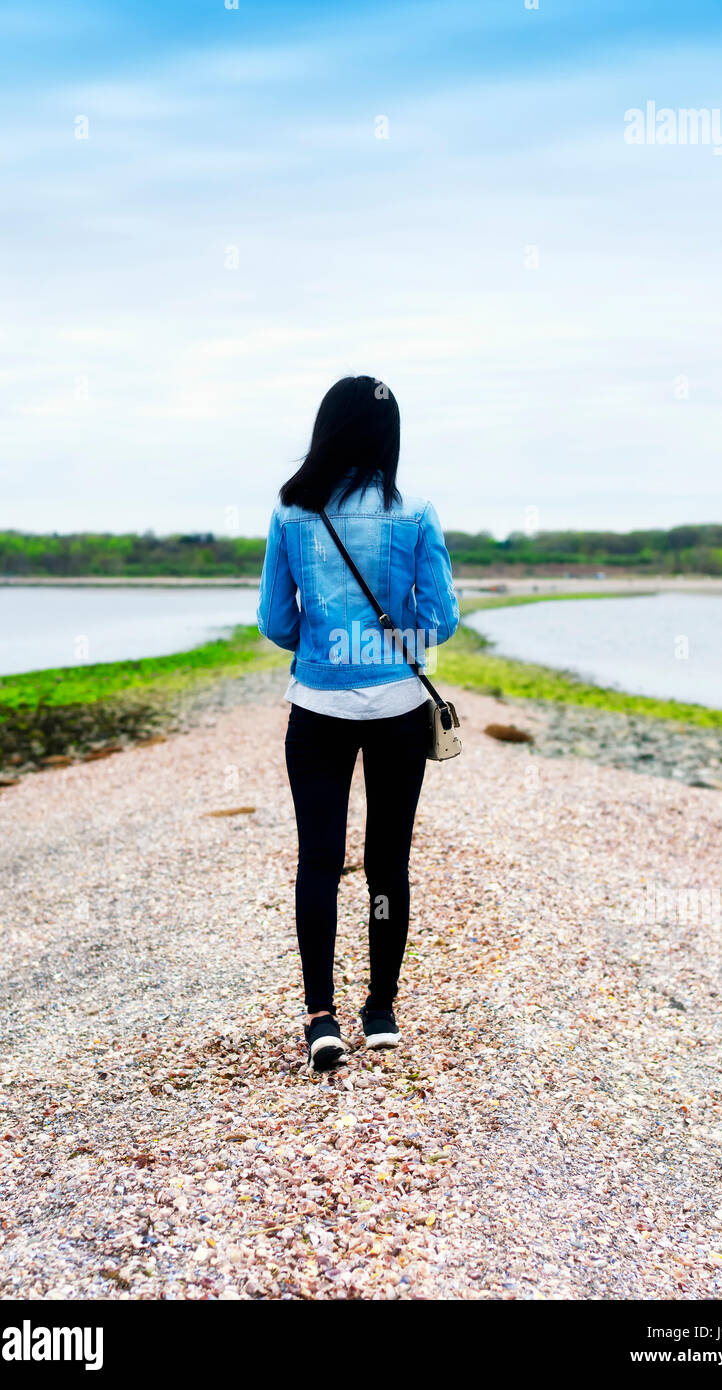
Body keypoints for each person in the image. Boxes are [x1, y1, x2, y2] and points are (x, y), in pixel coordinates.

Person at [257, 375, 459, 1071]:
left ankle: (320, 1018)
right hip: (399, 708)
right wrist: (385, 641)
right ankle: (380, 1010)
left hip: (317, 707)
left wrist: (326, 643)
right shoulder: (415, 512)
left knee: (318, 860)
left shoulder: (290, 514)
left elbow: (275, 622)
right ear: (386, 435)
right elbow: (439, 620)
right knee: (386, 861)